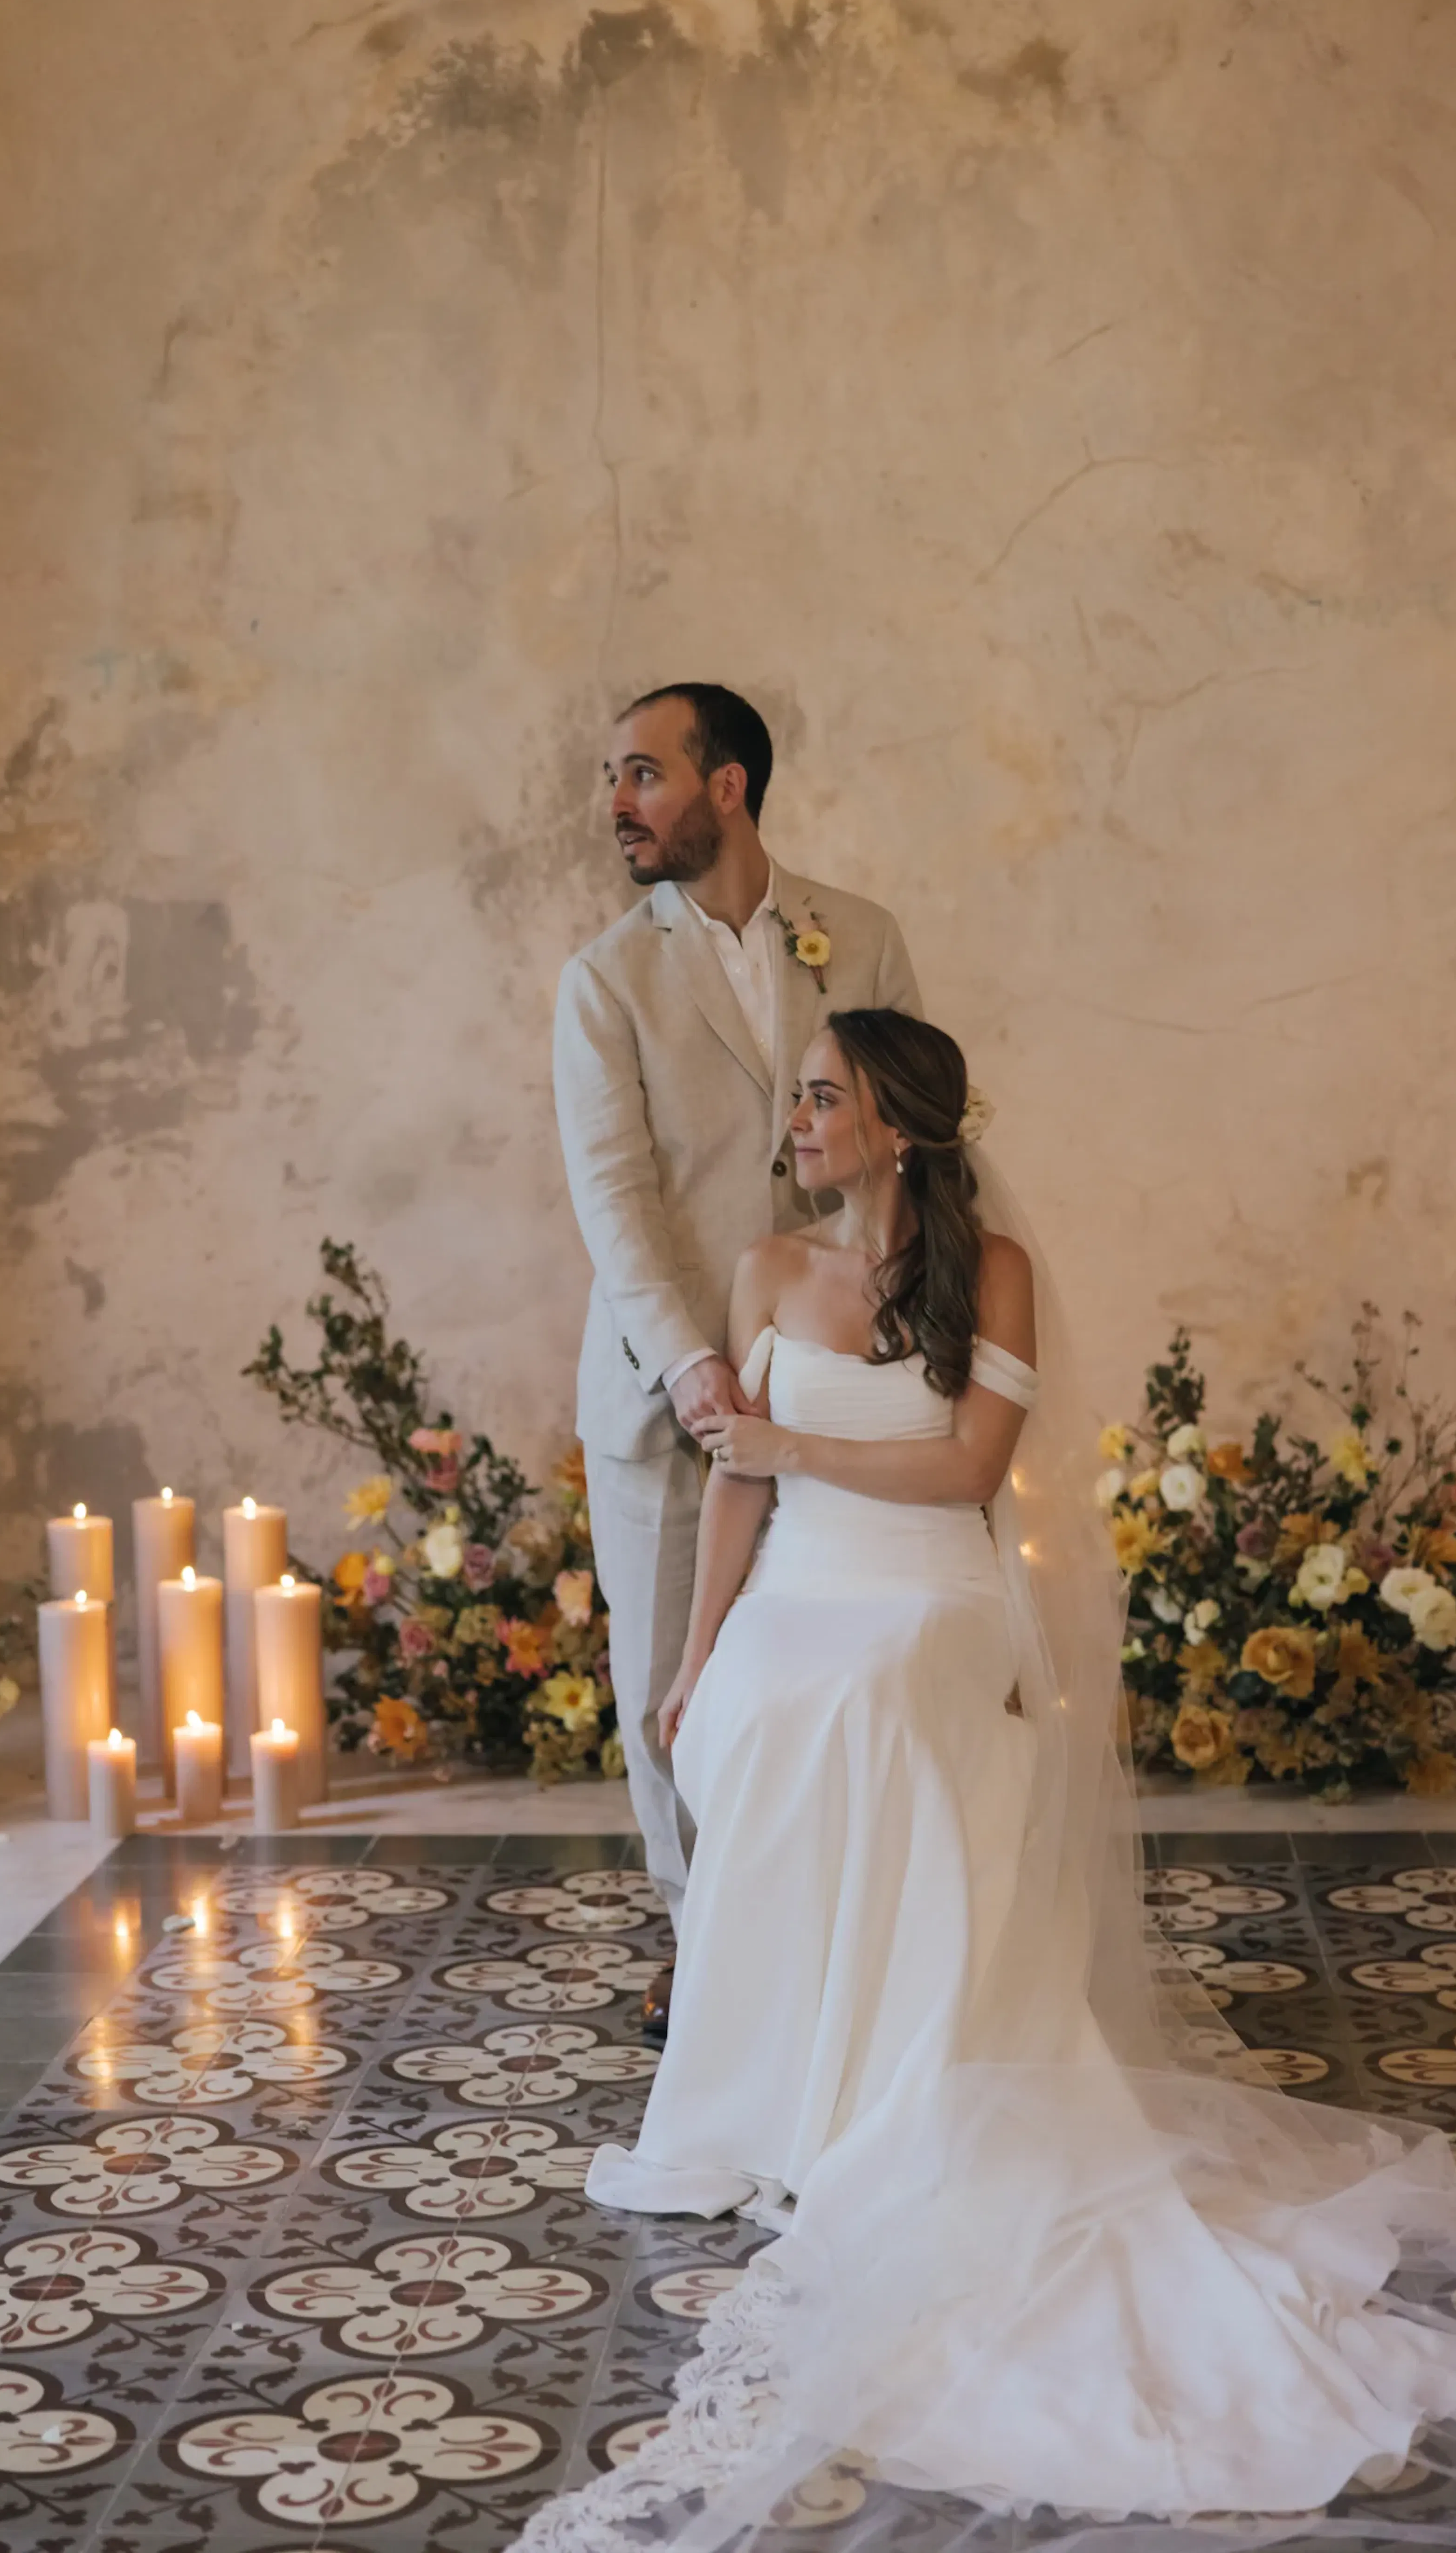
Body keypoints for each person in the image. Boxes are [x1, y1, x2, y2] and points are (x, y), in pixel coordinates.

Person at [519, 1009, 1456, 2553]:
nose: (797, 1121)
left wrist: (788, 1439)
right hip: (796, 1582)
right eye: (799, 1096)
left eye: (823, 1097)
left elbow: (970, 1472)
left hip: (931, 1588)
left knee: (868, 1693)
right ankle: (765, 2099)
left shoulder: (990, 1273)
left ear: (897, 1125)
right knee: (766, 1699)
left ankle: (886, 2097)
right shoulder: (769, 1267)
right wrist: (696, 1649)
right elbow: (733, 1485)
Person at [552, 684, 918, 2029]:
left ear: (728, 786)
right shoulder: (606, 981)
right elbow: (615, 1199)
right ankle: (706, 1946)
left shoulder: (859, 937)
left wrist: (901, 1334)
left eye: (643, 774)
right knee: (678, 1687)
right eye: (612, 778)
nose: (618, 804)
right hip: (671, 1398)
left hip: (839, 1382)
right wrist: (689, 1363)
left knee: (830, 1670)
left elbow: (920, 1136)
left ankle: (836, 1934)